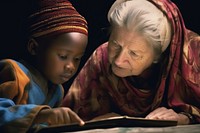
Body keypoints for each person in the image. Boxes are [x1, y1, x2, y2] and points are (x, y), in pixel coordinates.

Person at [62, 0, 200, 125]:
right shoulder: (101, 57)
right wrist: (95, 121)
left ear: (158, 56)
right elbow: (66, 120)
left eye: (134, 53)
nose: (118, 60)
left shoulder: (193, 54)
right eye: (115, 45)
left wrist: (186, 118)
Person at [0, 0, 88, 132]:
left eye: (77, 59)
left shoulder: (57, 90)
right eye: (63, 56)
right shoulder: (14, 71)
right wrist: (40, 115)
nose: (70, 66)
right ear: (34, 47)